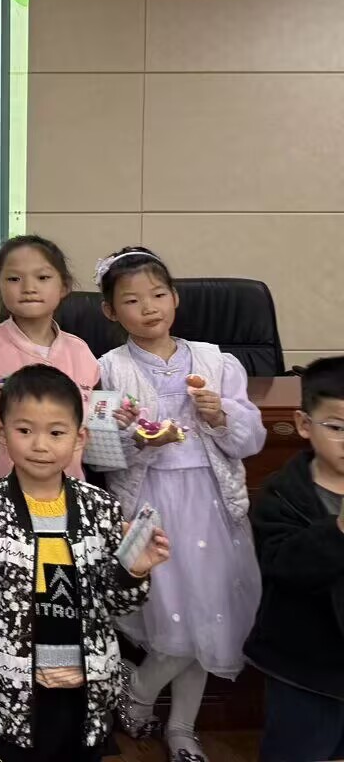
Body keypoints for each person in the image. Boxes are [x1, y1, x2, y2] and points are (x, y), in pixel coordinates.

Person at [0, 365, 171, 762]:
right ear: (2, 432)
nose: (40, 445)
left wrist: (134, 569)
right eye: (25, 430)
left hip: (88, 686)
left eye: (56, 433)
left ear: (80, 438)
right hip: (9, 685)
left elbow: (118, 603)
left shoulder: (100, 507)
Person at [97, 247, 266, 762]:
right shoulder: (108, 369)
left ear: (175, 298)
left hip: (212, 503)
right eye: (131, 300)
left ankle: (177, 725)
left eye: (158, 295)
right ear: (110, 311)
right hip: (148, 507)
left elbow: (252, 440)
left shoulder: (217, 361)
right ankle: (144, 695)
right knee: (174, 625)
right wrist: (137, 440)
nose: (148, 308)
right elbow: (99, 454)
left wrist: (219, 416)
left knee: (208, 618)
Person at [0, 235, 99, 761]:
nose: (29, 287)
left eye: (43, 277)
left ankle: (38, 707)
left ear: (64, 287)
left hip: (58, 507)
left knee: (45, 610)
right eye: (14, 278)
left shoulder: (80, 352)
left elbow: (89, 423)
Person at [244, 356, 344, 762]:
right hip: (304, 667)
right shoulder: (280, 494)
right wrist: (338, 530)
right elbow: (283, 567)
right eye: (337, 427)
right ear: (304, 424)